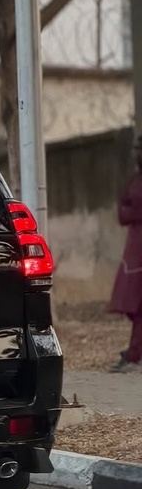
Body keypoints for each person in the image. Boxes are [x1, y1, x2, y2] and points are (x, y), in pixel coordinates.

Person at [108, 135, 142, 372]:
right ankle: (134, 352)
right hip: (136, 250)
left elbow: (131, 208)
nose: (136, 153)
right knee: (136, 304)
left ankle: (134, 354)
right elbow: (123, 213)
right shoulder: (135, 180)